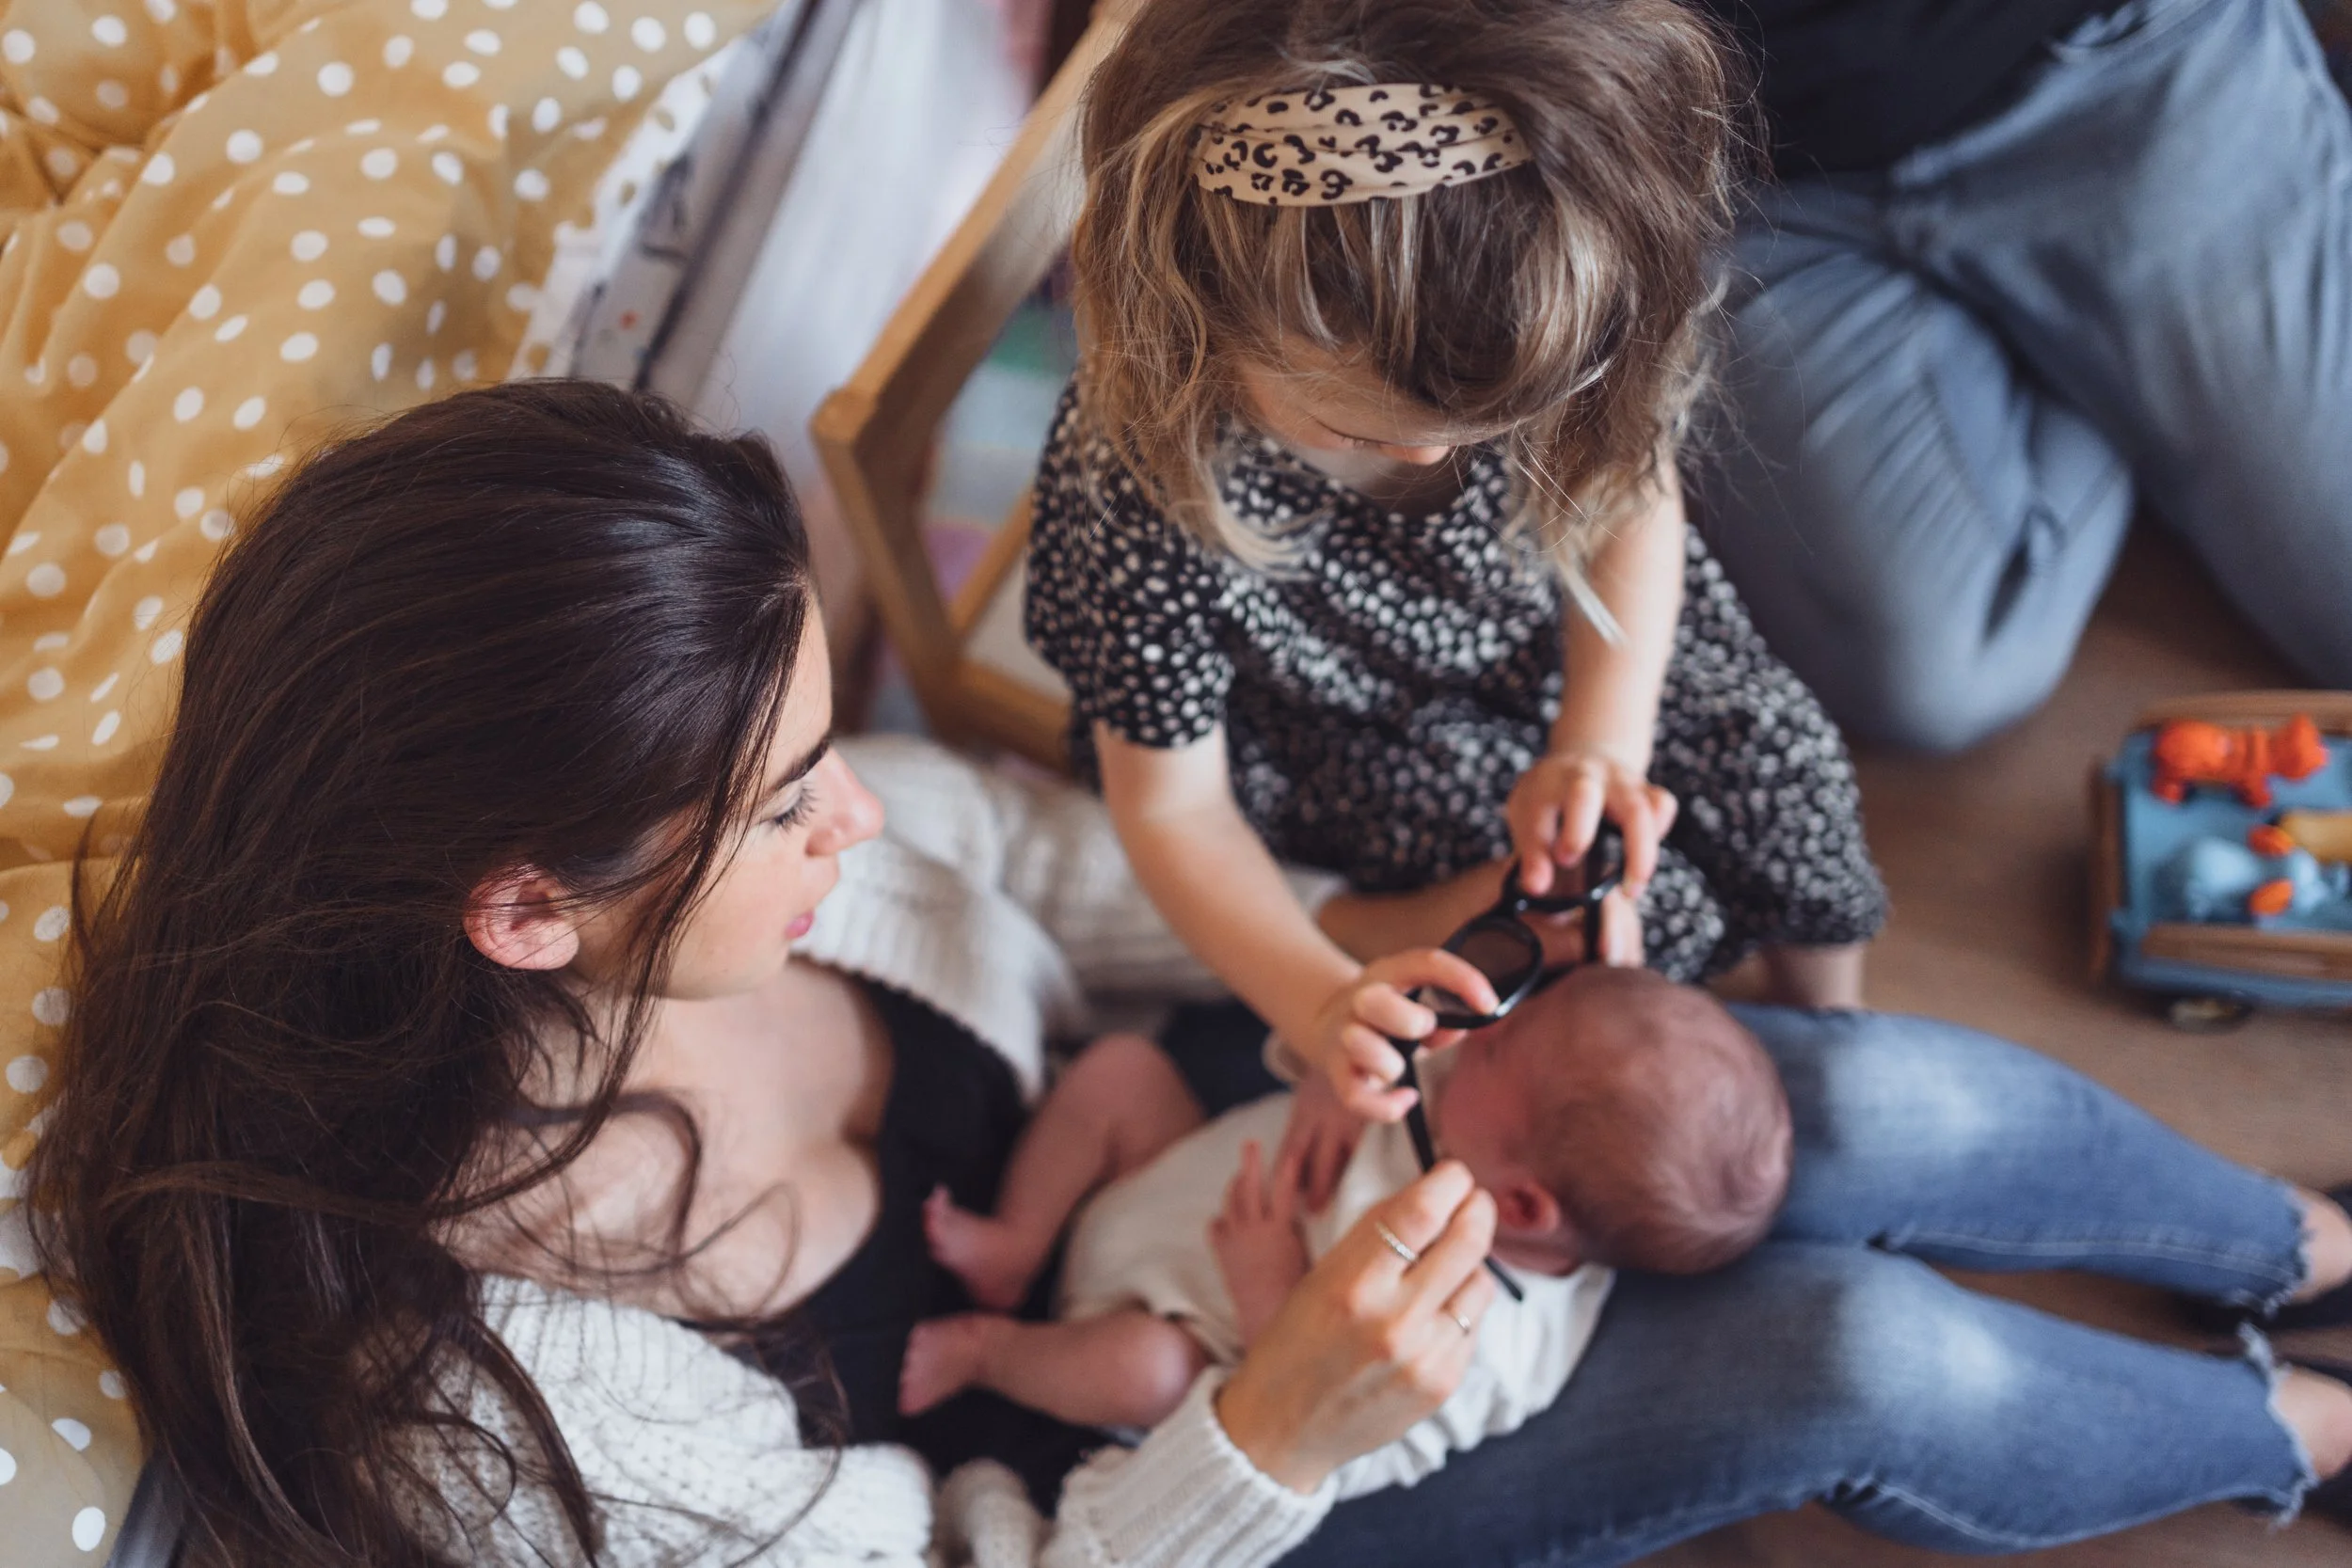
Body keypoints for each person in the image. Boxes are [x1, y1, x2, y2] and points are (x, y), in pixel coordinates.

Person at [23, 381, 1510, 1568]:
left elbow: (1012, 851)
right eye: (793, 797)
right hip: (1168, 1496)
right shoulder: (502, 1414)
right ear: (532, 911)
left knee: (1689, 1096)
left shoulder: (732, 861)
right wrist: (1275, 1435)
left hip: (1192, 1194)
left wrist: (1414, 941)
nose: (853, 814)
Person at [1022, 0, 1891, 1154]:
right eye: (1351, 423)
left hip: (1572, 621)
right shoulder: (1139, 477)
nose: (1433, 457)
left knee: (1792, 777)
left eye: (1491, 425)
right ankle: (1370, 924)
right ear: (1193, 312)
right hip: (1338, 726)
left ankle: (1836, 1040)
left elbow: (1628, 496)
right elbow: (1172, 805)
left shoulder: (1560, 265)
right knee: (1620, 916)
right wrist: (1315, 996)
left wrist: (1597, 743)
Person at [1689, 0, 2352, 751]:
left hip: (2116, 71)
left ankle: (2120, 320)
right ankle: (2096, 338)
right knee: (1934, 676)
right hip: (1760, 178)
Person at [900, 967, 1791, 1497]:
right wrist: (1332, 1065)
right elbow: (1383, 1027)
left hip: (1188, 1331)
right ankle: (1017, 1243)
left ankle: (992, 1348)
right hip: (1168, 1177)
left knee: (1146, 1369)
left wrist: (1269, 1285)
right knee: (1123, 1071)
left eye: (1491, 1050)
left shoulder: (1489, 1347)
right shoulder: (1486, 1116)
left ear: (1521, 1208)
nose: (1477, 1035)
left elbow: (1327, 1442)